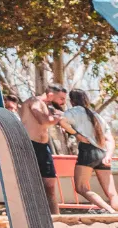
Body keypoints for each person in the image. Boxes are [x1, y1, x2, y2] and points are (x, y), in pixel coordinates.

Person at [60, 89, 117, 213]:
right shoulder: (97, 116)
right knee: (112, 193)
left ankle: (109, 211)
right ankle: (113, 210)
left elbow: (61, 121)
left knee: (81, 187)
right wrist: (109, 155)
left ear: (72, 101)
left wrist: (77, 134)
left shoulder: (73, 112)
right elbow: (110, 139)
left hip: (88, 151)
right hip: (102, 153)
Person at [19, 84, 65, 215]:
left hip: (44, 147)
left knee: (50, 185)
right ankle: (33, 216)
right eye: (61, 98)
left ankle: (55, 217)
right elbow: (44, 121)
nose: (63, 102)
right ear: (51, 94)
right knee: (32, 185)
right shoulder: (34, 101)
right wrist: (59, 117)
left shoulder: (46, 106)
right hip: (30, 145)